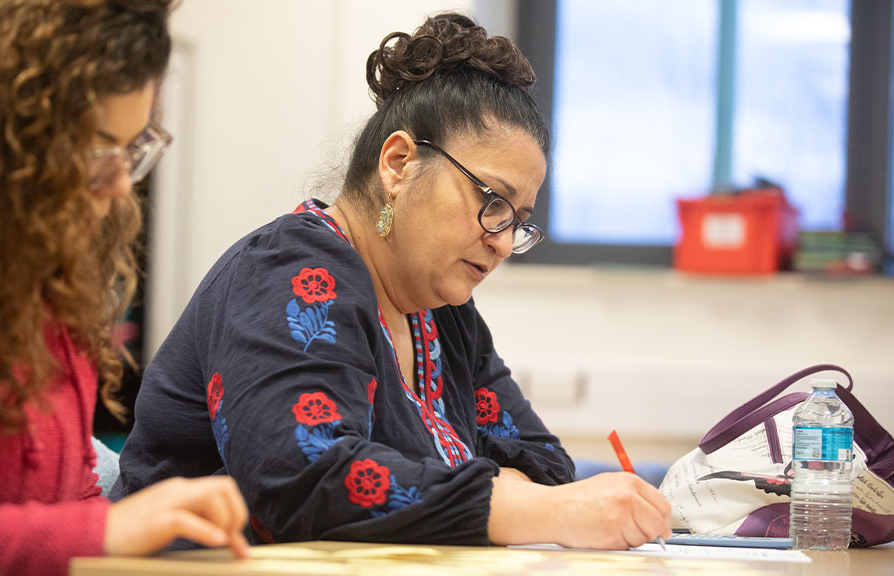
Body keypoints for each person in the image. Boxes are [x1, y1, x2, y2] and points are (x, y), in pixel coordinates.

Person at [112, 12, 672, 549]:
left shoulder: (445, 314)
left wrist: (527, 500)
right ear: (399, 162)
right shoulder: (292, 271)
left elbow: (542, 459)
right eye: (492, 201)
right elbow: (304, 481)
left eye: (518, 221)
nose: (502, 240)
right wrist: (538, 509)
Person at [0, 1, 249, 575]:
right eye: (99, 150)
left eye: (132, 151)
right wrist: (105, 531)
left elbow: (70, 503)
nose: (122, 183)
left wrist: (138, 536)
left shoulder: (49, 287)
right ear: (2, 134)